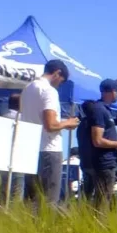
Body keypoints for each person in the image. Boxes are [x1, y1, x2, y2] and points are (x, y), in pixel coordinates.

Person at [20, 60, 78, 206]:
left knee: (31, 199)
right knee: (49, 199)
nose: (59, 84)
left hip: (30, 148)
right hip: (49, 149)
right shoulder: (49, 91)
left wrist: (61, 122)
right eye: (61, 81)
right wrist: (68, 123)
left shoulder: (28, 88)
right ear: (57, 73)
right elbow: (50, 125)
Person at [83, 80, 117, 205]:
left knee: (104, 199)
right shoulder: (99, 109)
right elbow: (97, 140)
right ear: (111, 92)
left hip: (108, 162)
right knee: (103, 202)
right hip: (103, 163)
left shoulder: (105, 110)